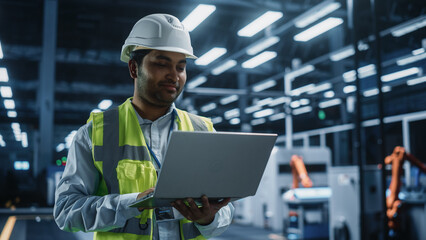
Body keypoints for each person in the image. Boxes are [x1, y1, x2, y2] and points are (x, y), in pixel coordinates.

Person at [54, 13, 234, 240]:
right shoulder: (95, 133)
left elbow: (225, 209)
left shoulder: (203, 130)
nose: (174, 75)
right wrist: (131, 203)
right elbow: (66, 211)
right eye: (162, 64)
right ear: (133, 68)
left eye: (181, 67)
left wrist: (209, 218)